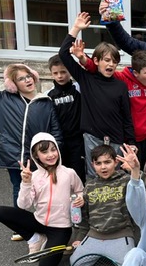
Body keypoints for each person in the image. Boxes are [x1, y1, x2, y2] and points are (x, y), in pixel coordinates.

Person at [0, 49, 63, 241]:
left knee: (44, 189)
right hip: (12, 155)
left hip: (37, 156)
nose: (27, 80)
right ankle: (22, 227)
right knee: (19, 187)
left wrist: (56, 153)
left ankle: (47, 224)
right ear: (13, 84)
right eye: (21, 78)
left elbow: (55, 132)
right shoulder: (2, 99)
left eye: (29, 76)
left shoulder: (46, 103)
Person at [58, 12, 136, 178]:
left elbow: (126, 117)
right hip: (93, 139)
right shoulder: (86, 78)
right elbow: (63, 54)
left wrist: (131, 142)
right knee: (94, 177)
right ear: (96, 61)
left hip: (116, 140)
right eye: (106, 60)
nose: (111, 64)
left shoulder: (121, 86)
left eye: (114, 61)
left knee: (117, 177)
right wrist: (76, 28)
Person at [0, 133, 83, 266]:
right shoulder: (34, 176)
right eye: (44, 152)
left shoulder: (69, 173)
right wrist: (26, 182)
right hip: (38, 221)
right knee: (0, 212)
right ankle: (35, 238)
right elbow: (23, 205)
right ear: (36, 155)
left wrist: (80, 197)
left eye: (53, 149)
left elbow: (80, 190)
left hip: (60, 228)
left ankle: (50, 241)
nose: (51, 155)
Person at [69, 145, 146, 266]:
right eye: (98, 163)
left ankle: (109, 253)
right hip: (95, 235)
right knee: (76, 263)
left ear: (116, 162)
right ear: (93, 165)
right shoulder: (89, 186)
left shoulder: (126, 180)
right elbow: (85, 216)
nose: (103, 167)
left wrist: (134, 170)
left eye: (107, 162)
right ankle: (104, 253)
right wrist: (79, 238)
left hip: (120, 235)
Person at [46, 54, 84, 183]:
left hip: (78, 141)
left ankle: (79, 195)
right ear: (51, 74)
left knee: (78, 174)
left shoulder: (79, 88)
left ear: (70, 71)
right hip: (59, 142)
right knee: (61, 175)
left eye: (63, 72)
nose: (60, 76)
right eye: (55, 73)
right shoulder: (48, 95)